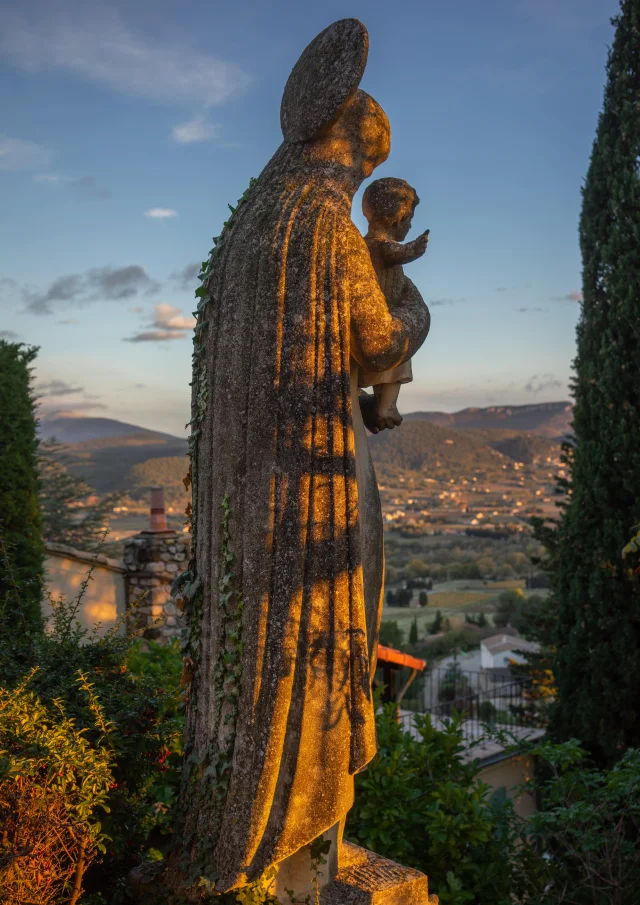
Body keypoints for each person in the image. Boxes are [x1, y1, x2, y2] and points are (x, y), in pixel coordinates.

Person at [358, 177, 430, 428]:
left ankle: (383, 404)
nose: (409, 226)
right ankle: (386, 405)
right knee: (399, 352)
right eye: (409, 219)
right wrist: (415, 248)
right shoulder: (378, 245)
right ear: (397, 218)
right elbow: (396, 252)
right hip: (385, 317)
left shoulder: (365, 246)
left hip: (384, 315)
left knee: (394, 358)